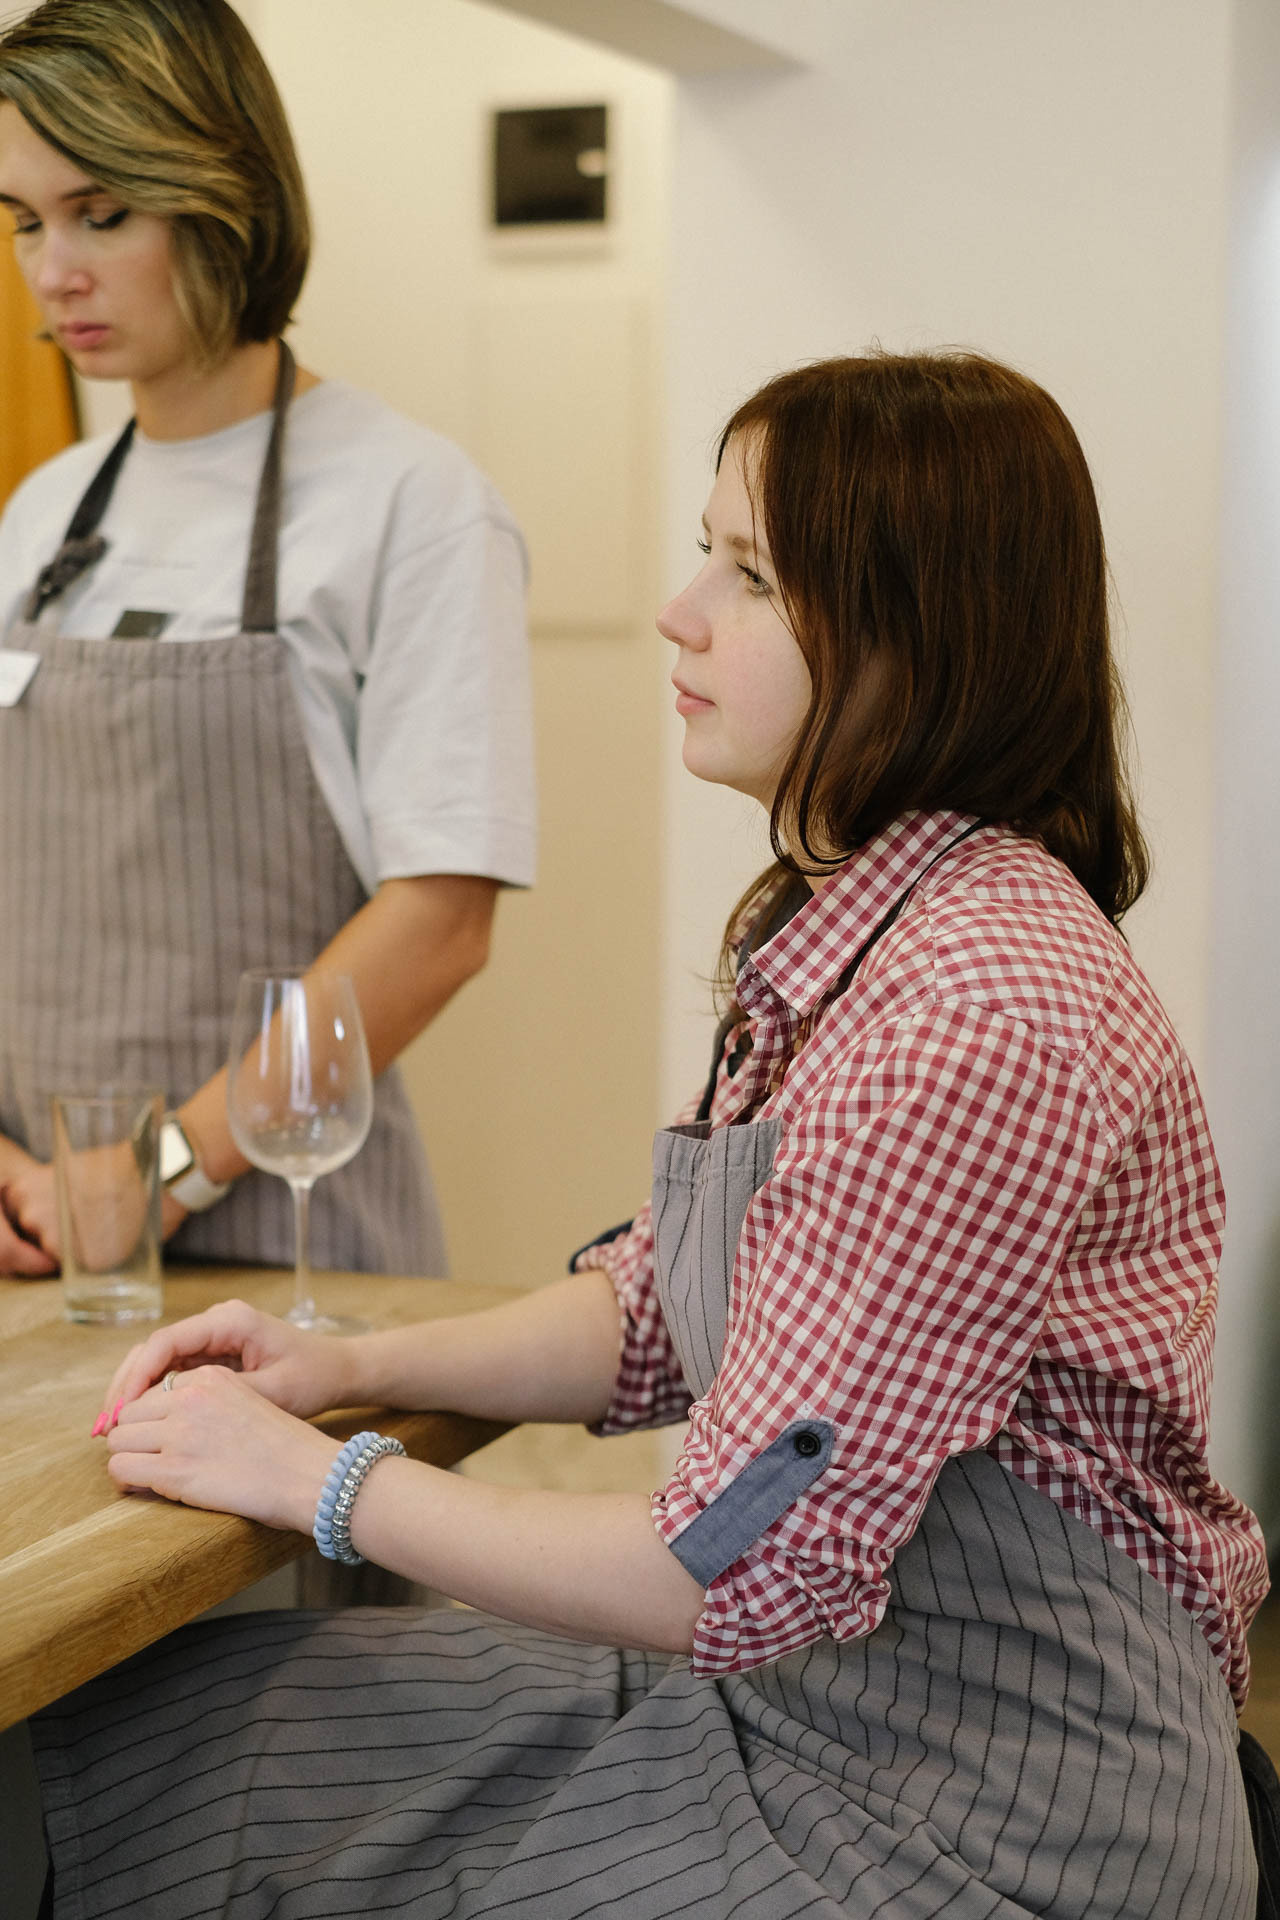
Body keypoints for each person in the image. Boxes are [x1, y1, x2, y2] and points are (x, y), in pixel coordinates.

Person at [32, 350, 1269, 1920]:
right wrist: (352, 1369)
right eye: (708, 551)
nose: (681, 612)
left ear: (917, 635)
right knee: (172, 1728)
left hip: (971, 1817)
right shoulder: (851, 930)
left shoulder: (977, 1013)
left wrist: (319, 1480)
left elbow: (735, 1565)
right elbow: (664, 1301)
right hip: (813, 1706)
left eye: (748, 575)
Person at [0, 0, 533, 1279]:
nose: (53, 268)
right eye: (23, 222)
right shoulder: (41, 511)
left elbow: (442, 916)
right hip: (39, 1242)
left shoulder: (410, 500)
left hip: (292, 1243)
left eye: (102, 213)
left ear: (223, 193)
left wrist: (162, 1173)